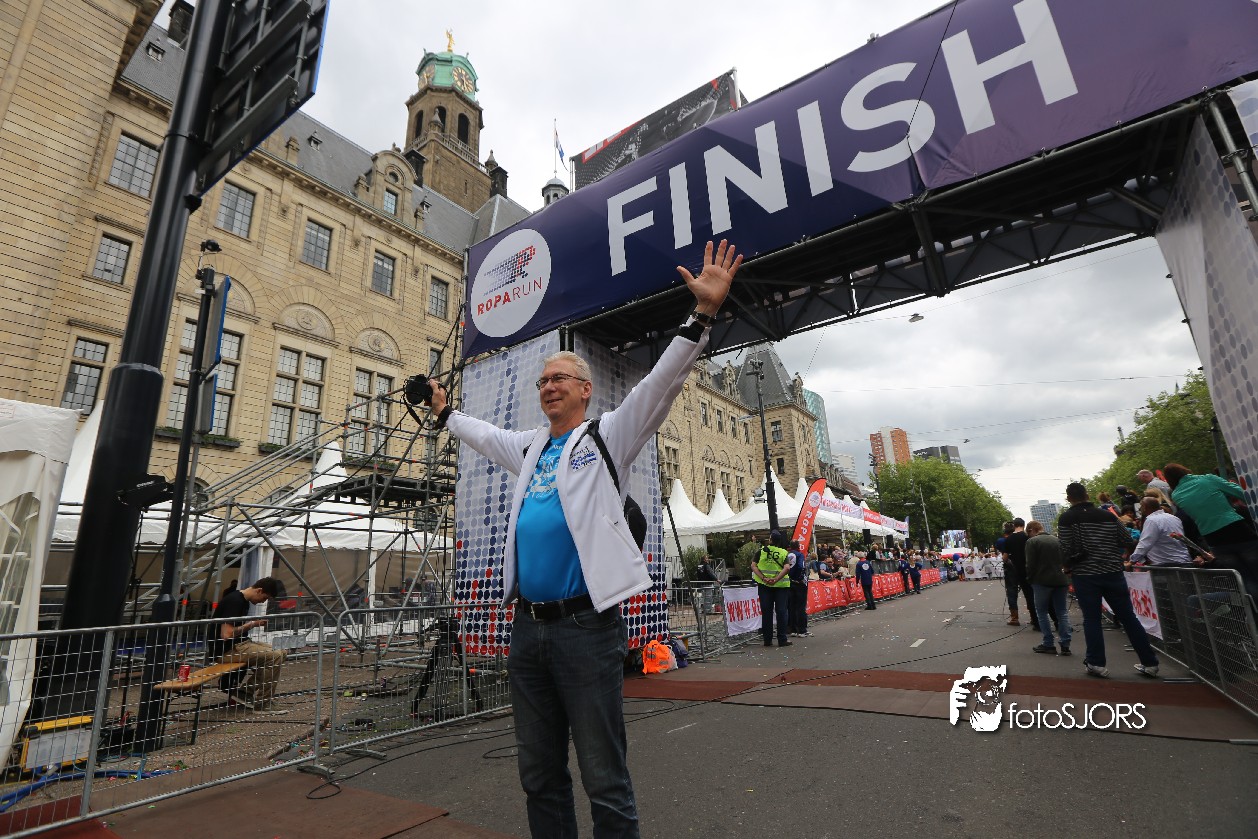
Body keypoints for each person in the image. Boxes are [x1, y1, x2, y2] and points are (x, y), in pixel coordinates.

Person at [424, 238, 742, 839]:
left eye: (560, 378)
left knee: (603, 775)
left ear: (585, 389)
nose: (548, 386)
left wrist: (702, 315)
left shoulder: (606, 438)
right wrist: (445, 415)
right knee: (538, 773)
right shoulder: (529, 447)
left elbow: (659, 386)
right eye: (543, 380)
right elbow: (484, 435)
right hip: (528, 629)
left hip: (586, 629)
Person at [1057, 482, 1160, 678]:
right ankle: (1150, 662)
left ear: (1069, 498)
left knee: (1092, 619)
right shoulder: (1107, 516)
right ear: (1087, 495)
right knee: (1128, 617)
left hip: (1085, 574)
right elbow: (1126, 540)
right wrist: (1122, 556)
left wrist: (1068, 567)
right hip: (1113, 572)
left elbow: (1065, 548)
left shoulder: (1067, 518)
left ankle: (1096, 663)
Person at [1164, 463, 1258, 605]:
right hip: (1236, 529)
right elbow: (1241, 493)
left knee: (1244, 578)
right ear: (1184, 470)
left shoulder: (1176, 495)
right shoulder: (1208, 479)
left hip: (1213, 539)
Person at [211, 577, 287, 712]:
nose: (263, 602)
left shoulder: (243, 600)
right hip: (227, 650)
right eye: (265, 598)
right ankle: (263, 703)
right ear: (259, 590)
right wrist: (251, 624)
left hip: (239, 644)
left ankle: (245, 692)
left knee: (282, 652)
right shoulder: (235, 601)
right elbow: (226, 634)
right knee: (274, 656)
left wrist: (252, 624)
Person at [1024, 521, 1072, 656]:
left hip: (1041, 580)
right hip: (1061, 580)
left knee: (1042, 612)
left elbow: (1030, 564)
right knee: (1062, 612)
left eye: (1028, 533)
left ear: (1032, 530)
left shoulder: (1032, 542)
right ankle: (1065, 644)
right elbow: (1066, 559)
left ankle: (1048, 643)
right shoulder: (1057, 540)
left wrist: (1030, 579)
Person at [1130, 497, 1208, 567]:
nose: (1140, 509)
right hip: (1184, 561)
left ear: (1144, 507)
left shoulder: (1151, 520)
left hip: (1166, 564)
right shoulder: (1174, 518)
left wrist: (1132, 561)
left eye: (1141, 507)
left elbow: (1145, 543)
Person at [754, 531, 793, 647]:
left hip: (764, 585)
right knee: (781, 611)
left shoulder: (761, 551)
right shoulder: (783, 552)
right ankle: (782, 639)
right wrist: (776, 579)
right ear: (779, 541)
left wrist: (763, 578)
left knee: (766, 612)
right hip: (781, 586)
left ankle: (767, 640)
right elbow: (787, 568)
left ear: (770, 540)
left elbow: (753, 566)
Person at [786, 539, 810, 637]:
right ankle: (802, 630)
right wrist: (799, 578)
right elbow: (801, 567)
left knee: (791, 606)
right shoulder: (800, 555)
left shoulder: (787, 554)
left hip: (789, 582)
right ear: (798, 546)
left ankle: (792, 629)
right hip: (799, 583)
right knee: (800, 606)